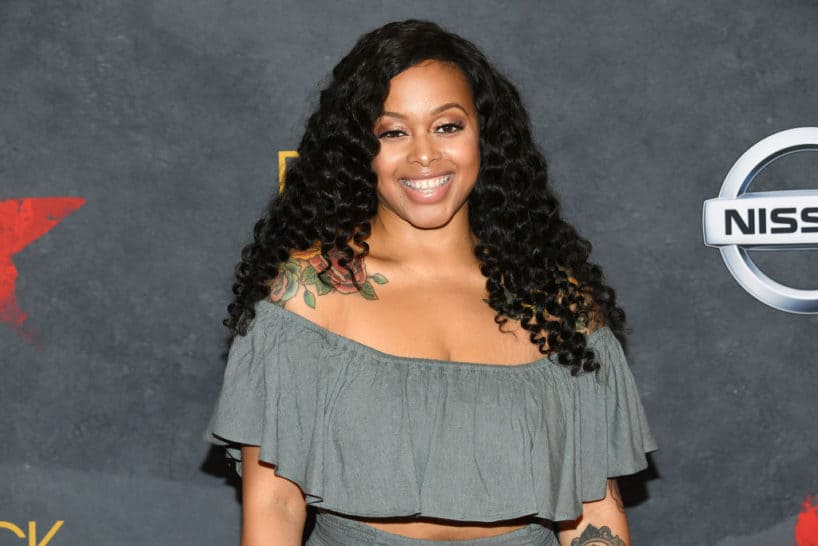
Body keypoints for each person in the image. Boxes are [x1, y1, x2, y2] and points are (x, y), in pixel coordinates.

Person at [204, 19, 657, 546]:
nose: (424, 154)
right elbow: (276, 505)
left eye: (447, 126)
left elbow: (593, 512)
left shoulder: (556, 303)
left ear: (484, 135)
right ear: (358, 148)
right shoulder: (307, 295)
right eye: (392, 131)